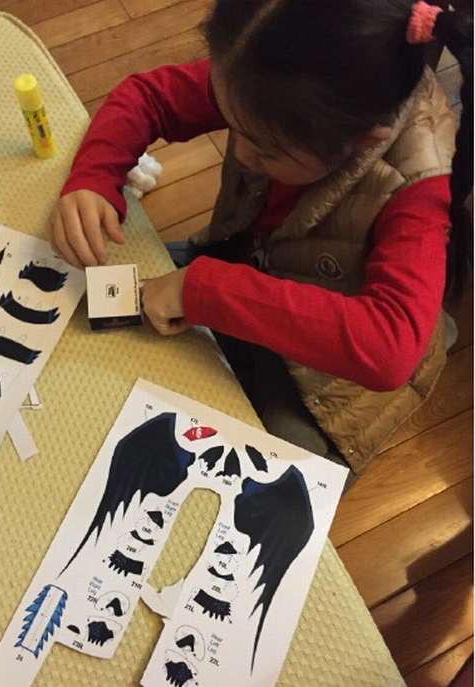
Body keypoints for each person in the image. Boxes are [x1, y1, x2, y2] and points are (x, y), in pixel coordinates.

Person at [50, 0, 472, 487]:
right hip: (252, 267)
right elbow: (147, 96)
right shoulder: (264, 76)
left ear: (364, 140)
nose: (244, 154)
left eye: (265, 149)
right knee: (116, 316)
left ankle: (434, 325)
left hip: (328, 374)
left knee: (263, 480)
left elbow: (388, 350)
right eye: (235, 127)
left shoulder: (419, 184)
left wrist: (206, 291)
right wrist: (94, 177)